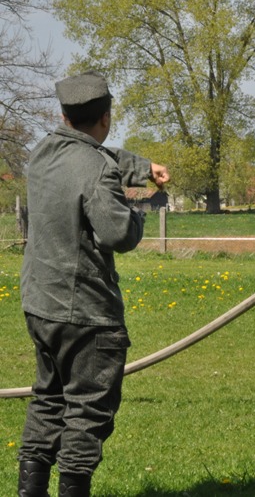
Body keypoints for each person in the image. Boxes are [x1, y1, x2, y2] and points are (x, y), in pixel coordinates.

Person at [17, 71, 170, 497]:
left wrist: (141, 167)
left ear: (64, 115)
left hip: (40, 305)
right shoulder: (98, 169)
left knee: (48, 400)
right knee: (87, 411)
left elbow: (90, 157)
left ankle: (29, 491)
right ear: (105, 118)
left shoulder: (43, 152)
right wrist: (142, 208)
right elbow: (118, 234)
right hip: (85, 313)